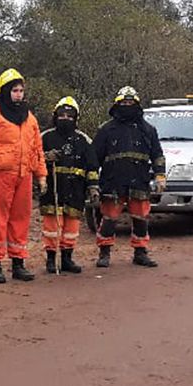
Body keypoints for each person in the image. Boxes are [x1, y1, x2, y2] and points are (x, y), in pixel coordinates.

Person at [0, 68, 47, 283]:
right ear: (4, 91)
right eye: (14, 90)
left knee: (21, 220)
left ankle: (18, 262)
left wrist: (42, 175)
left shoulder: (28, 117)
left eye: (21, 90)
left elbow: (37, 148)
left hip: (24, 175)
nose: (19, 94)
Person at [92, 86, 165, 268]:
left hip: (139, 180)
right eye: (124, 103)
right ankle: (104, 252)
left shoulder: (148, 130)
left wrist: (160, 175)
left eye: (130, 103)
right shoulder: (106, 130)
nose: (127, 106)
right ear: (117, 105)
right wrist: (92, 182)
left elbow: (157, 154)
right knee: (108, 218)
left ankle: (140, 252)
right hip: (112, 181)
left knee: (141, 218)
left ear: (137, 105)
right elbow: (94, 158)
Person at [39, 96, 99, 274]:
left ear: (76, 118)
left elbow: (92, 166)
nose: (65, 118)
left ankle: (67, 259)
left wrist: (93, 187)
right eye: (62, 115)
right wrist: (45, 157)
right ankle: (51, 259)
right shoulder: (45, 137)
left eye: (69, 115)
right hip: (52, 188)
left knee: (71, 227)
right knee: (51, 226)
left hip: (76, 190)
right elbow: (31, 158)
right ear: (55, 116)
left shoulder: (84, 140)